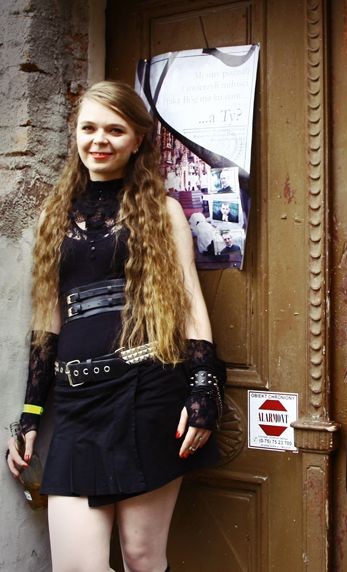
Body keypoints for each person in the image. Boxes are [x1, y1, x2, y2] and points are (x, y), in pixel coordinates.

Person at [5, 80, 226, 572]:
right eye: (88, 128)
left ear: (137, 139)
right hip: (77, 406)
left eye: (114, 129)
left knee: (142, 559)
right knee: (76, 566)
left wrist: (204, 389)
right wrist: (31, 413)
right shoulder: (54, 215)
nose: (99, 140)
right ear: (75, 133)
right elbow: (47, 321)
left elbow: (190, 303)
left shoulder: (162, 211)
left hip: (146, 395)